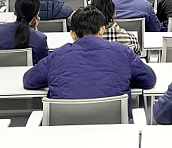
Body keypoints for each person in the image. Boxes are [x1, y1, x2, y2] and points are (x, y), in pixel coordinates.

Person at [23, 6, 156, 106]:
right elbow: (149, 80)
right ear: (102, 30)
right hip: (114, 131)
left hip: (65, 131)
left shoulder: (58, 55)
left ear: (73, 34)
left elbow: (29, 81)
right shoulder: (122, 52)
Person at [0, 0, 49, 64]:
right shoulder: (39, 38)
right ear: (37, 15)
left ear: (14, 11)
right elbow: (44, 64)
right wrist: (35, 30)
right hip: (27, 71)